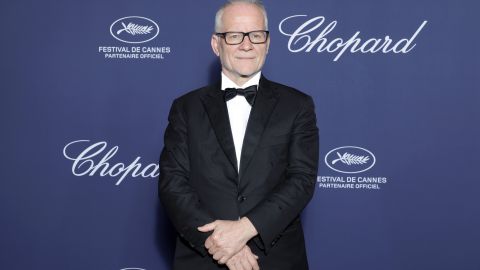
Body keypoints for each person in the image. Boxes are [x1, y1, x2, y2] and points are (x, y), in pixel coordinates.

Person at [158, 0, 319, 269]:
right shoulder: (185, 107)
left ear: (267, 43)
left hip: (276, 258)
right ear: (216, 44)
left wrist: (245, 229)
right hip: (204, 257)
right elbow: (172, 184)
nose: (247, 45)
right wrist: (222, 243)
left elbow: (301, 180)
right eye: (234, 36)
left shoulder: (298, 105)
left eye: (256, 35)